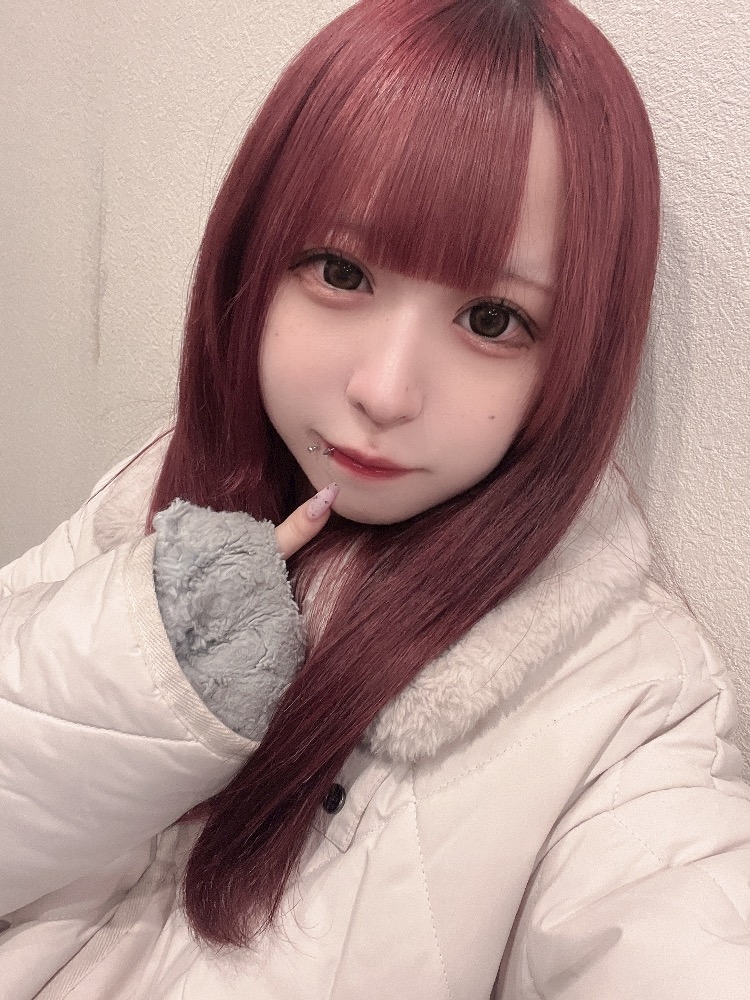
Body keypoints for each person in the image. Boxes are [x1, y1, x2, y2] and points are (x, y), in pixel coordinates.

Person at [1, 0, 749, 996]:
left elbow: (675, 922)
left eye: (493, 319)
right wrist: (137, 675)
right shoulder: (156, 485)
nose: (385, 392)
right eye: (342, 271)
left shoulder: (630, 703)